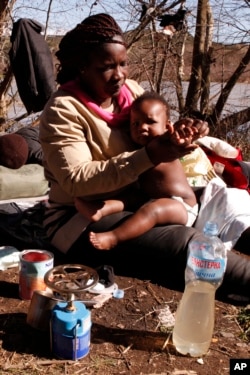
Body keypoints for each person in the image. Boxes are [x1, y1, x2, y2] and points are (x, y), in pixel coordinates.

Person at [39, 13, 250, 302]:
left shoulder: (130, 92)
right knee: (185, 243)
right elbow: (76, 181)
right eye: (106, 67)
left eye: (123, 63)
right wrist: (149, 155)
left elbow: (158, 131)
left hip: (140, 197)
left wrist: (183, 134)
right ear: (82, 67)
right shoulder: (63, 110)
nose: (119, 75)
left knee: (230, 214)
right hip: (80, 216)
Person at [75, 91, 198, 250]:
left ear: (167, 126)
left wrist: (183, 136)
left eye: (150, 122)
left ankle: (114, 237)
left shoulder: (165, 144)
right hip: (149, 196)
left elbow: (177, 141)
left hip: (182, 206)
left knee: (152, 210)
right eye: (136, 124)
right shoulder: (138, 150)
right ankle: (100, 209)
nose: (142, 128)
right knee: (130, 198)